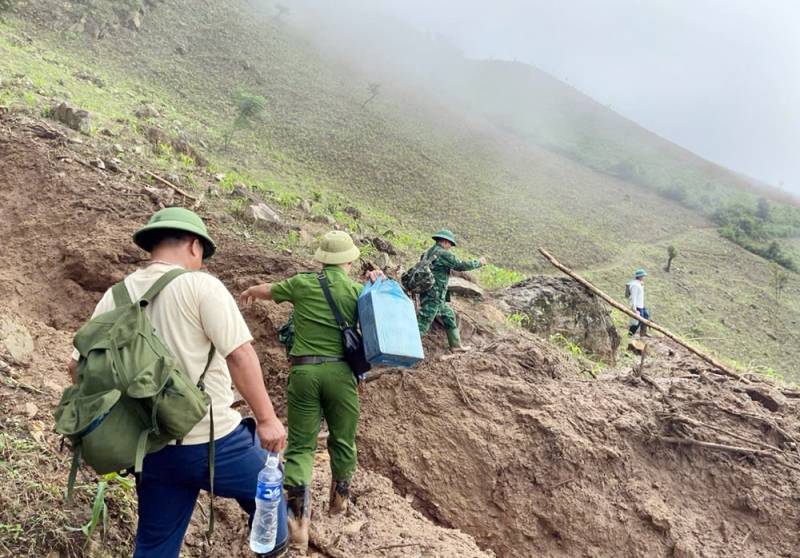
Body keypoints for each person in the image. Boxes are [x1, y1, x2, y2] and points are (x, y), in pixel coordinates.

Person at [66, 207, 289, 558]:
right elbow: (239, 356)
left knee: (154, 548)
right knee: (272, 497)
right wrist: (266, 419)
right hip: (215, 445)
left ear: (152, 245)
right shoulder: (202, 286)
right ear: (195, 246)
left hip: (151, 448)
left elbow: (77, 367)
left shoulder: (116, 295)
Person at [239, 231, 383, 554]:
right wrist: (379, 281)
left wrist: (249, 290)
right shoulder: (358, 290)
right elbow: (385, 312)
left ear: (322, 259)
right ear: (349, 260)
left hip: (303, 373)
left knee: (302, 446)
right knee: (343, 440)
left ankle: (297, 528)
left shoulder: (303, 283)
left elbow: (268, 291)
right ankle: (338, 505)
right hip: (341, 376)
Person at [417, 229, 486, 352]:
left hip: (430, 293)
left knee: (449, 315)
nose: (450, 247)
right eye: (450, 244)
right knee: (422, 323)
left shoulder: (426, 253)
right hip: (434, 296)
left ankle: (455, 345)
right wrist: (479, 263)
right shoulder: (444, 254)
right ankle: (404, 349)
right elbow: (461, 265)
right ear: (445, 241)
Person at [627, 269, 651, 338]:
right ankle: (630, 334)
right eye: (643, 276)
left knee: (646, 317)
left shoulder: (639, 284)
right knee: (638, 322)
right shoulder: (634, 285)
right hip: (637, 306)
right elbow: (633, 297)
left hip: (641, 305)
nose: (643, 277)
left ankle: (643, 333)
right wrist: (634, 308)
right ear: (640, 276)